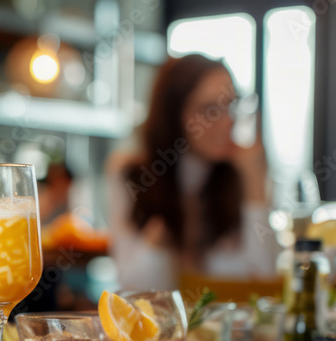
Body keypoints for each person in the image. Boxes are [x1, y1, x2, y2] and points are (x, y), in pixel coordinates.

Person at [107, 54, 279, 291]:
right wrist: (157, 241)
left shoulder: (239, 175)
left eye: (230, 105)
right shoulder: (132, 175)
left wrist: (256, 188)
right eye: (209, 110)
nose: (227, 121)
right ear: (174, 113)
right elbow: (130, 290)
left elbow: (265, 281)